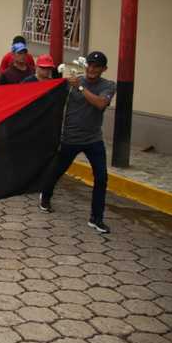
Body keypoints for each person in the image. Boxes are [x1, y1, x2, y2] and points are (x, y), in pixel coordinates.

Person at [39, 51, 115, 234]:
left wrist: (80, 87)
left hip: (93, 139)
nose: (92, 69)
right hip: (71, 138)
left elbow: (100, 104)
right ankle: (45, 196)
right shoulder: (71, 82)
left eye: (97, 66)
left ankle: (96, 218)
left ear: (104, 69)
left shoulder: (108, 85)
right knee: (57, 170)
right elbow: (50, 95)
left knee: (102, 178)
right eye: (90, 65)